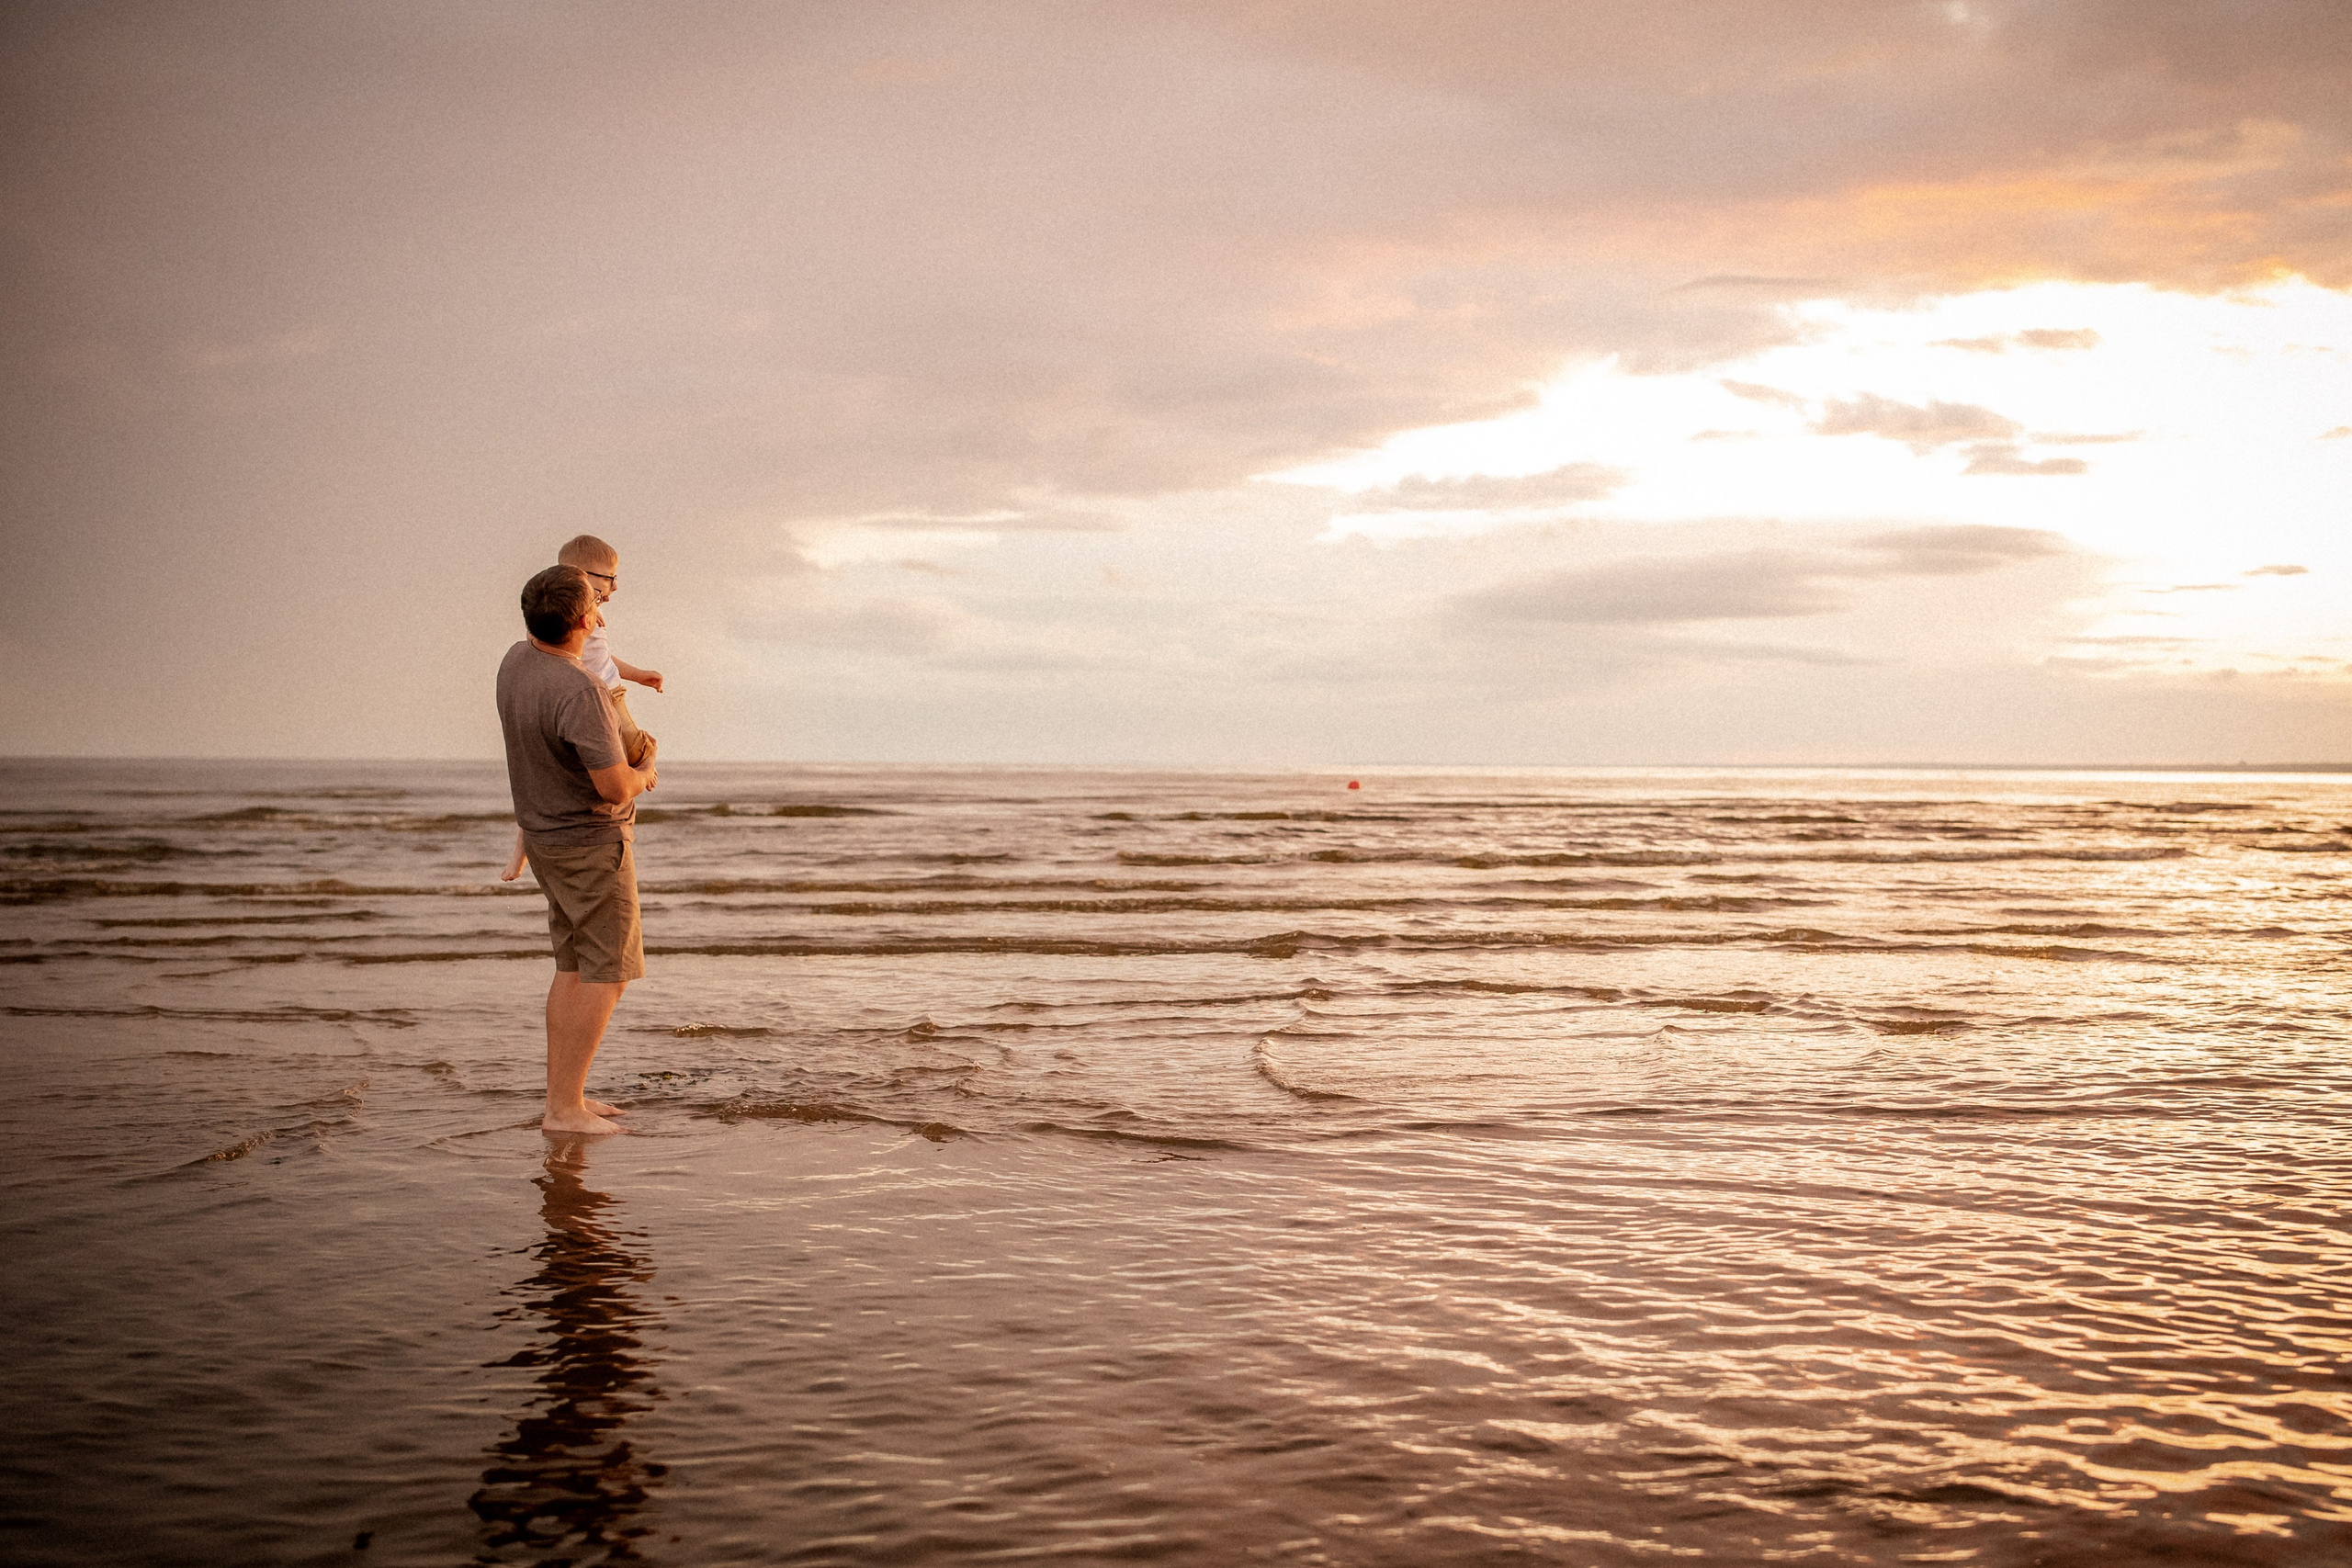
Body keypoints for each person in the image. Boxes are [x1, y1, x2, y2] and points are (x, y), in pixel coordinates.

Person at [496, 564, 660, 1135]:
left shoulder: (516, 661)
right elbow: (613, 786)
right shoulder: (581, 690)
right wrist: (646, 769)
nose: (602, 616)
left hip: (546, 841)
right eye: (596, 606)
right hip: (589, 844)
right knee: (608, 974)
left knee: (572, 967)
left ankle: (565, 1097)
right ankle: (564, 1110)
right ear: (586, 622)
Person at [503, 535, 663, 881]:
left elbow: (601, 657)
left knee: (541, 786)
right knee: (643, 750)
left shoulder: (529, 653)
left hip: (610, 693)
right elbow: (617, 789)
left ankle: (524, 848)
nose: (615, 588)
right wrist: (646, 768)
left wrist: (638, 675)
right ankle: (522, 850)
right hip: (604, 700)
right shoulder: (573, 633)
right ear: (578, 575)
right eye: (608, 580)